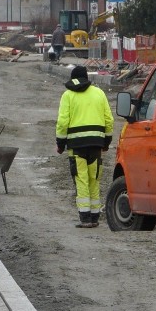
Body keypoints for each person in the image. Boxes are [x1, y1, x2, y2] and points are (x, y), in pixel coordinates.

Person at [56, 65, 114, 228]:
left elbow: (62, 123)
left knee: (81, 180)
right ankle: (95, 217)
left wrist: (60, 144)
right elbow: (108, 120)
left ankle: (85, 218)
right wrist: (106, 142)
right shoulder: (99, 93)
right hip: (96, 144)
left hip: (76, 146)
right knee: (94, 179)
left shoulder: (68, 95)